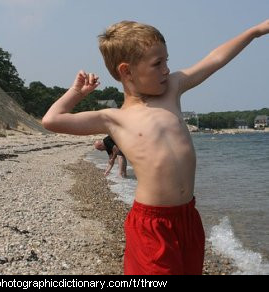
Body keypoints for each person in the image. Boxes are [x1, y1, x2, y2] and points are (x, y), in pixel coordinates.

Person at [42, 20, 269, 275]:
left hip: (188, 218)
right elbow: (52, 120)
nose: (166, 69)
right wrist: (76, 93)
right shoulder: (114, 118)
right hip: (152, 224)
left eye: (166, 61)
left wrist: (255, 32)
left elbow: (214, 60)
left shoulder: (172, 89)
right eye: (157, 63)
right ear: (127, 71)